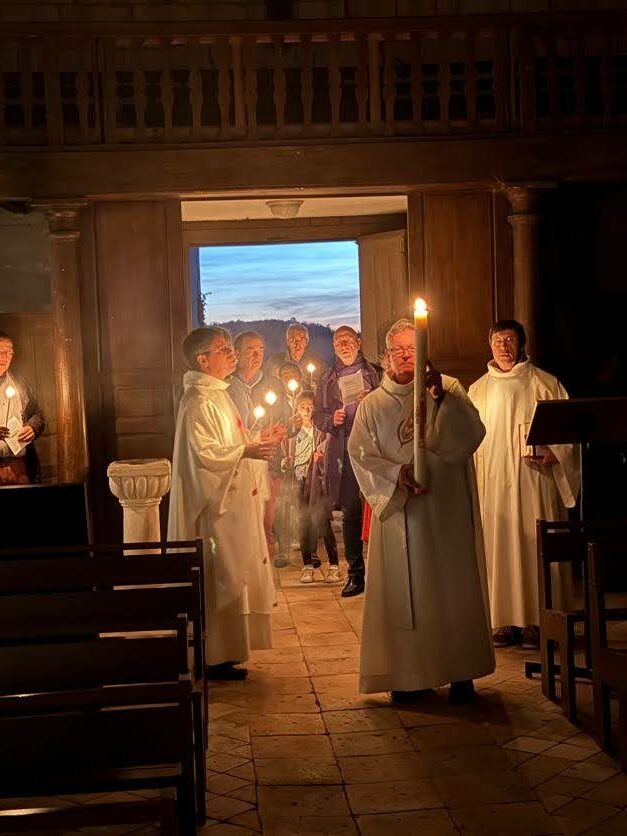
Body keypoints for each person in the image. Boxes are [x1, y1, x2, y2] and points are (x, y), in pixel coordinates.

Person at [348, 318, 495, 704]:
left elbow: (472, 435)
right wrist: (395, 475)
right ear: (385, 357)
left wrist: (441, 400)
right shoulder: (372, 405)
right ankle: (409, 676)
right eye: (397, 350)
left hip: (446, 511)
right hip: (404, 514)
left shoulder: (448, 389)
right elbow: (359, 453)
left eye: (412, 349)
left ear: (425, 352)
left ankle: (459, 671)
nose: (405, 356)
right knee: (406, 594)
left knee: (452, 587)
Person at [167, 326, 278, 681]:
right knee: (220, 577)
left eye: (231, 348)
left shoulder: (217, 393)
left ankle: (226, 653)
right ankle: (213, 655)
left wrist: (257, 438)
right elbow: (206, 455)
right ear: (203, 360)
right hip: (214, 511)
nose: (232, 354)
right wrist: (247, 449)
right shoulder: (198, 401)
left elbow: (231, 441)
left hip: (232, 507)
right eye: (223, 349)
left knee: (232, 575)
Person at [468, 320, 580, 650]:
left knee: (535, 546)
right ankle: (503, 620)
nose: (503, 346)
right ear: (489, 344)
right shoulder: (477, 391)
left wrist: (555, 452)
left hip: (536, 483)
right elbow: (464, 439)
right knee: (499, 547)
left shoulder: (545, 384)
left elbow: (570, 432)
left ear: (521, 344)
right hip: (494, 486)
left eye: (510, 340)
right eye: (498, 340)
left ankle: (538, 621)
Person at [313, 325, 381, 597]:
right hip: (344, 450)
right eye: (338, 341)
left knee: (382, 507)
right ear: (333, 346)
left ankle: (385, 572)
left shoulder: (376, 373)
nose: (343, 344)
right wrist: (332, 420)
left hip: (375, 449)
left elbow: (394, 406)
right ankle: (356, 574)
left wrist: (374, 400)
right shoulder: (326, 378)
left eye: (348, 339)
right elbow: (317, 416)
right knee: (351, 511)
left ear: (358, 342)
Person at [282, 392, 341, 584]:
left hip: (318, 482)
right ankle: (307, 566)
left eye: (310, 406)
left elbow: (332, 451)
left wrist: (323, 458)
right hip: (299, 481)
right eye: (302, 407)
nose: (307, 411)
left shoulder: (321, 429)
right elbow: (285, 455)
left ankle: (334, 566)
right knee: (304, 523)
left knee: (323, 521)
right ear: (297, 409)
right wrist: (286, 462)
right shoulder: (293, 432)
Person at [0, 332, 45, 485]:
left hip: (20, 467)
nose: (5, 357)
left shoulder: (20, 384)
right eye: (1, 351)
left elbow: (37, 414)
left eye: (9, 352)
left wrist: (33, 427)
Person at [267, 322, 326, 388]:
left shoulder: (317, 363)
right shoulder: (274, 362)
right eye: (293, 340)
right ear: (287, 342)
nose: (297, 344)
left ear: (306, 342)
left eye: (302, 340)